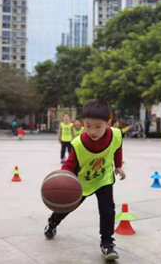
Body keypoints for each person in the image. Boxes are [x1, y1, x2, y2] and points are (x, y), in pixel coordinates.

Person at [44, 100, 126, 261]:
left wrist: (118, 165)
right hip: (81, 183)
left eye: (98, 127)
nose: (92, 131)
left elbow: (118, 147)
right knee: (66, 207)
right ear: (83, 123)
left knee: (108, 210)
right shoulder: (79, 144)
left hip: (103, 179)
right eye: (88, 126)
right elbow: (69, 165)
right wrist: (62, 181)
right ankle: (52, 222)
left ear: (108, 123)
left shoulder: (116, 134)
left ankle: (107, 244)